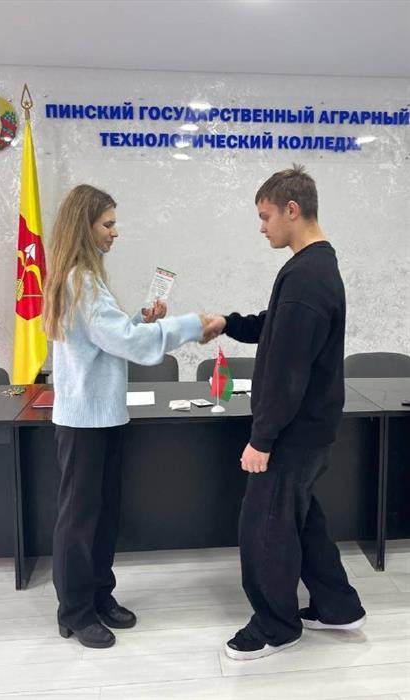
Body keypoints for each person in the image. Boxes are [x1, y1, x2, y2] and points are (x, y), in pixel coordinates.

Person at [203, 165, 366, 660]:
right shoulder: (314, 266)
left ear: (292, 210)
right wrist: (229, 323)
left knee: (266, 527)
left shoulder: (306, 276)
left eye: (265, 215)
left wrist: (263, 439)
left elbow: (288, 371)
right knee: (299, 518)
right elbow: (277, 327)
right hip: (311, 428)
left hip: (293, 432)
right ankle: (338, 606)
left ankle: (276, 626)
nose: (262, 227)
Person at [43, 184, 209, 649]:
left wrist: (139, 319)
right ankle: (75, 612)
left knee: (101, 516)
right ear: (85, 226)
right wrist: (191, 324)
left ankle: (99, 596)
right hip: (84, 422)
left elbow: (110, 338)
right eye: (108, 224)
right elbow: (129, 344)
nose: (115, 232)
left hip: (103, 417)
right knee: (80, 521)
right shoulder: (79, 280)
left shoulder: (88, 279)